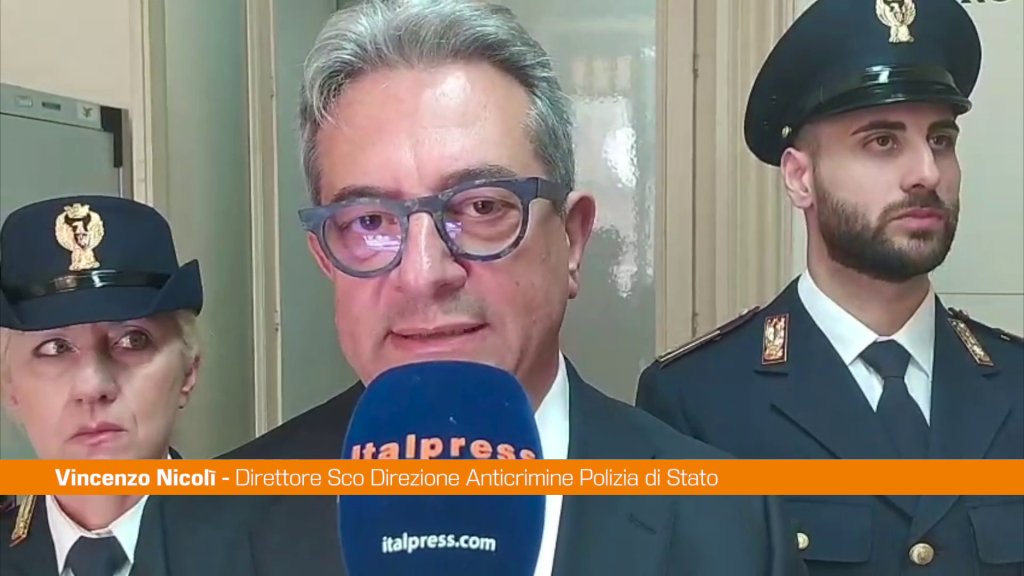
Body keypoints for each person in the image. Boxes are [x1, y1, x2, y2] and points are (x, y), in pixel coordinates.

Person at [202, 1, 806, 575]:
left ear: (572, 239)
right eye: (370, 221)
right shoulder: (205, 527)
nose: (423, 273)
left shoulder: (731, 526)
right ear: (325, 259)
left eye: (482, 207)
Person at [636, 0, 1023, 574]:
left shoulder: (1014, 382)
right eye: (882, 142)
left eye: (941, 140)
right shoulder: (698, 402)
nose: (927, 172)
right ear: (800, 178)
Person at [0, 195, 204, 576]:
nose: (93, 386)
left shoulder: (266, 549)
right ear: (9, 385)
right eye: (55, 348)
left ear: (188, 371)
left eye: (132, 340)